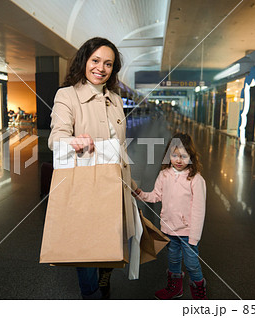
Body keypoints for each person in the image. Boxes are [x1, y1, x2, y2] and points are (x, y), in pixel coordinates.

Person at [48, 37, 137, 299]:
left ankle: (104, 274)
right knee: (86, 244)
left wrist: (130, 183)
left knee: (109, 239)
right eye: (95, 60)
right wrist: (73, 141)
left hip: (114, 184)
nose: (101, 68)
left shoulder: (116, 99)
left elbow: (121, 147)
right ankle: (91, 296)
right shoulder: (67, 95)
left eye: (108, 63)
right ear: (84, 61)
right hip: (86, 187)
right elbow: (55, 139)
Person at [135, 132, 208, 300]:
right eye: (174, 155)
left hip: (187, 233)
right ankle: (175, 289)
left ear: (191, 156)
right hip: (169, 230)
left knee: (192, 265)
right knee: (173, 261)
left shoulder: (196, 179)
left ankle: (199, 294)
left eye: (183, 156)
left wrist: (194, 237)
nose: (178, 160)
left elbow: (198, 210)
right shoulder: (164, 174)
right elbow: (155, 196)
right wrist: (140, 194)